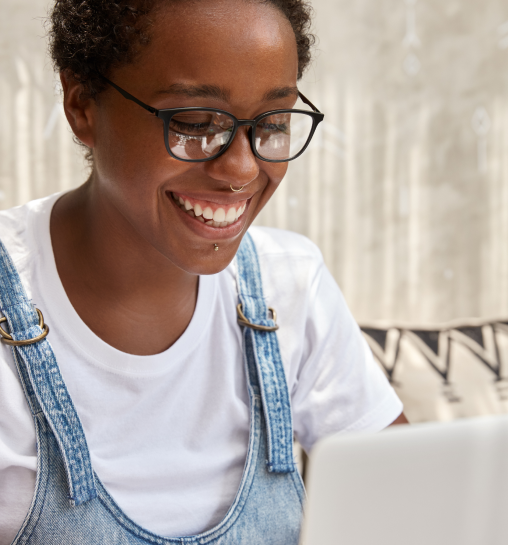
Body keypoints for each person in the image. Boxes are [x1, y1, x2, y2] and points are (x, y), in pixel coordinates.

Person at [0, 0, 406, 543]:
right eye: (195, 123)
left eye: (273, 122)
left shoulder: (288, 287)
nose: (241, 168)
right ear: (82, 105)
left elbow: (409, 506)